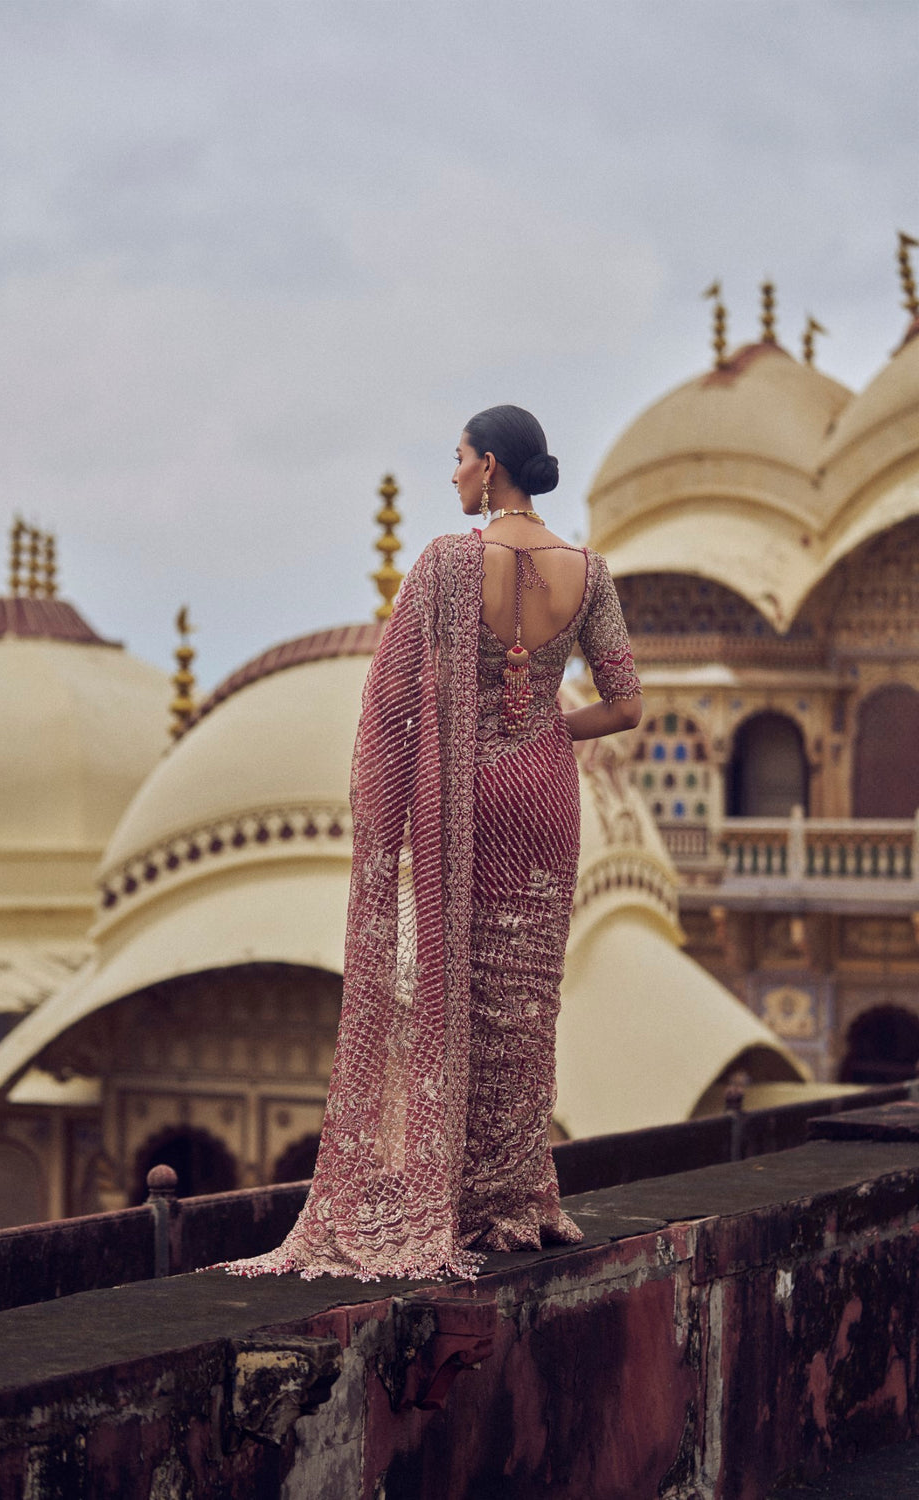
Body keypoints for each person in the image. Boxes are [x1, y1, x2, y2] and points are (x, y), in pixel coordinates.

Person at [216, 405, 642, 1282]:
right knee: (528, 999)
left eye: (458, 459)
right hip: (547, 796)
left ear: (490, 467)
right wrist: (548, 726)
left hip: (469, 793)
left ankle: (449, 1194)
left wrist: (444, 745)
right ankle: (517, 1197)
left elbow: (388, 701)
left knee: (459, 984)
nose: (452, 475)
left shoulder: (448, 564)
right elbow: (628, 705)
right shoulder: (588, 571)